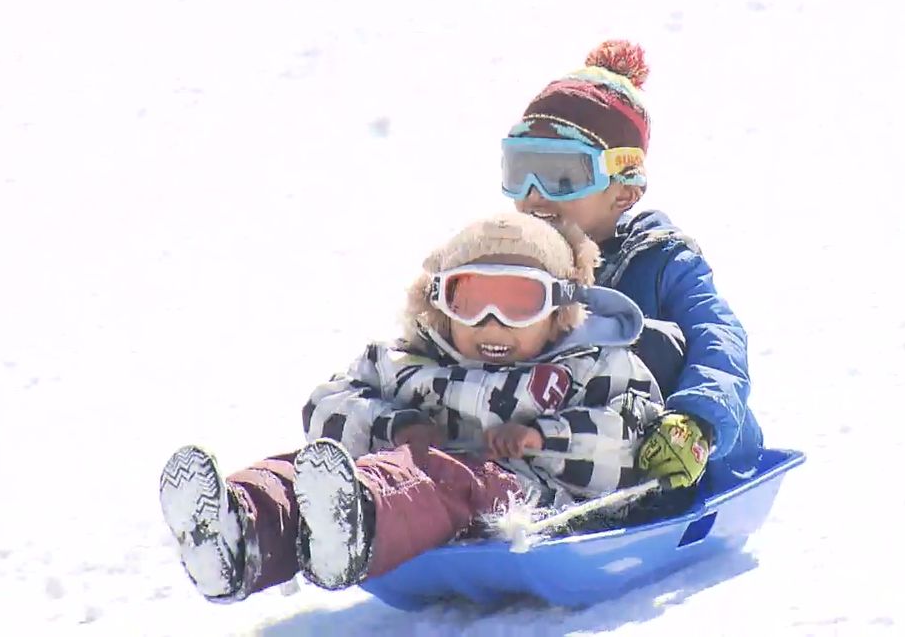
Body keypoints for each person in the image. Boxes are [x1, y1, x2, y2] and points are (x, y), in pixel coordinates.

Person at [157, 212, 704, 602]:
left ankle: (358, 521)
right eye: (470, 300)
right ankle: (238, 528)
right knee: (305, 465)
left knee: (440, 477)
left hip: (513, 494)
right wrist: (398, 423)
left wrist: (545, 436)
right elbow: (328, 405)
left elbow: (628, 437)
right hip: (387, 473)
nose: (492, 322)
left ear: (562, 308)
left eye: (519, 303)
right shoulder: (409, 361)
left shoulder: (591, 365)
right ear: (439, 304)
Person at [501, 39, 765, 497]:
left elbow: (719, 337)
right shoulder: (514, 261)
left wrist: (699, 419)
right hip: (561, 447)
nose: (534, 193)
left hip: (667, 450)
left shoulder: (661, 259)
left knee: (648, 340)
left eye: (562, 177)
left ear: (623, 192)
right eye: (521, 170)